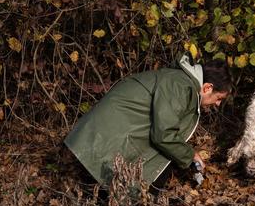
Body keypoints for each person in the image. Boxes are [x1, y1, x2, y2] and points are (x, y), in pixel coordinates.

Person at [63, 54, 232, 187]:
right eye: (219, 98)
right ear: (208, 87)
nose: (217, 104)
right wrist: (190, 155)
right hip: (104, 137)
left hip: (103, 134)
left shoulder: (181, 82)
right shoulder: (180, 86)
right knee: (157, 175)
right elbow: (163, 135)